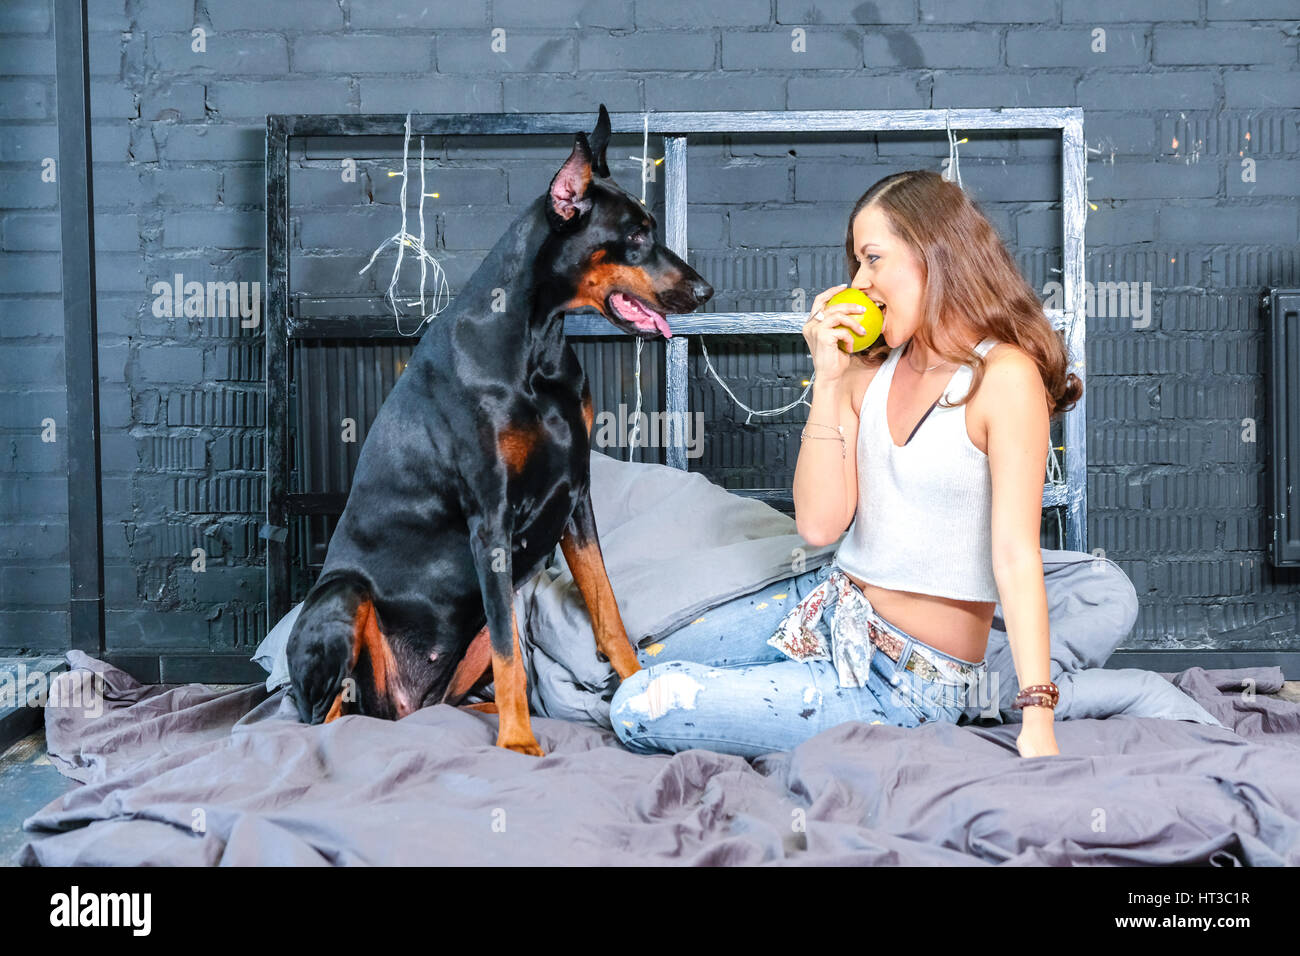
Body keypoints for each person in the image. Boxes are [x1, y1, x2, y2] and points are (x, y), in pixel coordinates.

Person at [609, 169, 1082, 760]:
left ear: (935, 251)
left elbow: (1016, 553)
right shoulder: (868, 374)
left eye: (873, 258)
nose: (860, 281)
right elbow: (819, 526)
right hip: (821, 606)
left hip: (903, 682)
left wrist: (1038, 715)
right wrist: (828, 380)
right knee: (635, 658)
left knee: (639, 707)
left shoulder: (1004, 378)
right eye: (857, 262)